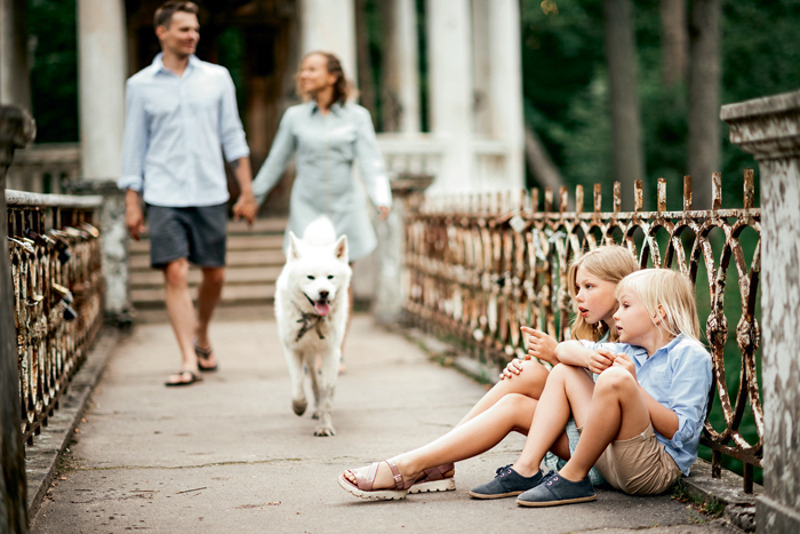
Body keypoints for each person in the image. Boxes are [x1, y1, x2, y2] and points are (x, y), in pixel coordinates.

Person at [337, 245, 639, 499]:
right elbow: (578, 388)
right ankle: (441, 459)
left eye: (589, 287)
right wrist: (552, 360)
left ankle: (412, 464)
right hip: (585, 432)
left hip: (602, 453)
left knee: (514, 406)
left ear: (623, 285)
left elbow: (612, 400)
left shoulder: (638, 341)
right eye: (577, 288)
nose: (578, 297)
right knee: (527, 372)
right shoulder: (601, 339)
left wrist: (559, 354)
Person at [119, 1, 258, 387]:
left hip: (210, 190)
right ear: (161, 32)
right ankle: (187, 360)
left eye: (195, 29)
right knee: (176, 272)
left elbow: (233, 137)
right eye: (183, 29)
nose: (192, 35)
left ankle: (202, 332)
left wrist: (246, 192)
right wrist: (133, 201)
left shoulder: (217, 78)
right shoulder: (140, 85)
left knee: (215, 275)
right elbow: (134, 146)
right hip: (163, 194)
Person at [250, 51, 392, 369]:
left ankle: (335, 350)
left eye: (312, 69)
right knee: (305, 278)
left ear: (332, 76)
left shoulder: (357, 117)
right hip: (307, 210)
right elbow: (276, 160)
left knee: (341, 281)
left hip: (346, 208)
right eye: (302, 69)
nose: (304, 75)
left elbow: (370, 160)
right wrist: (253, 197)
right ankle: (306, 343)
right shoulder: (294, 118)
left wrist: (381, 195)